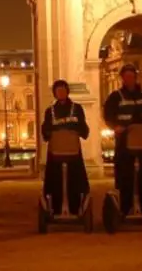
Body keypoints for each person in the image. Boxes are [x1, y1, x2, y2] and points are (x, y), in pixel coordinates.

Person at [103, 63, 142, 215]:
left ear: (135, 77)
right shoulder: (115, 97)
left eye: (132, 76)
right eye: (126, 76)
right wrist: (115, 127)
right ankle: (125, 206)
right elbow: (108, 115)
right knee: (124, 175)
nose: (129, 79)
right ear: (122, 78)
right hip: (124, 144)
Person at [41, 79, 90, 215]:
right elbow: (45, 129)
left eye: (63, 90)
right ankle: (54, 207)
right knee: (55, 181)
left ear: (67, 92)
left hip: (73, 153)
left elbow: (83, 128)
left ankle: (76, 206)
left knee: (75, 181)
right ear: (55, 94)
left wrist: (79, 131)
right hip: (55, 153)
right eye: (58, 91)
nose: (61, 93)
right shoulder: (49, 111)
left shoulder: (77, 108)